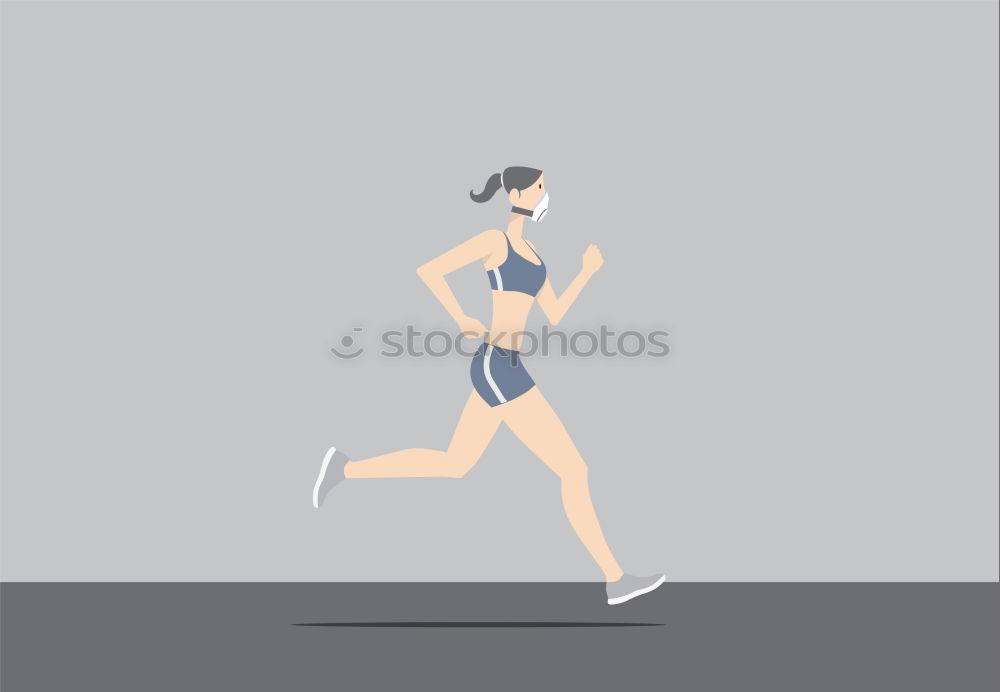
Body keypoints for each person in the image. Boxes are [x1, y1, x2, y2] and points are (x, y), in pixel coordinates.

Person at [313, 166, 664, 605]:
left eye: (544, 187)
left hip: (508, 365)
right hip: (498, 366)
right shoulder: (493, 242)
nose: (544, 194)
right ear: (516, 192)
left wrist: (586, 272)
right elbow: (430, 271)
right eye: (538, 187)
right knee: (574, 469)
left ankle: (344, 468)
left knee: (454, 462)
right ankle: (614, 578)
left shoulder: (535, 255)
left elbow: (554, 313)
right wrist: (461, 318)